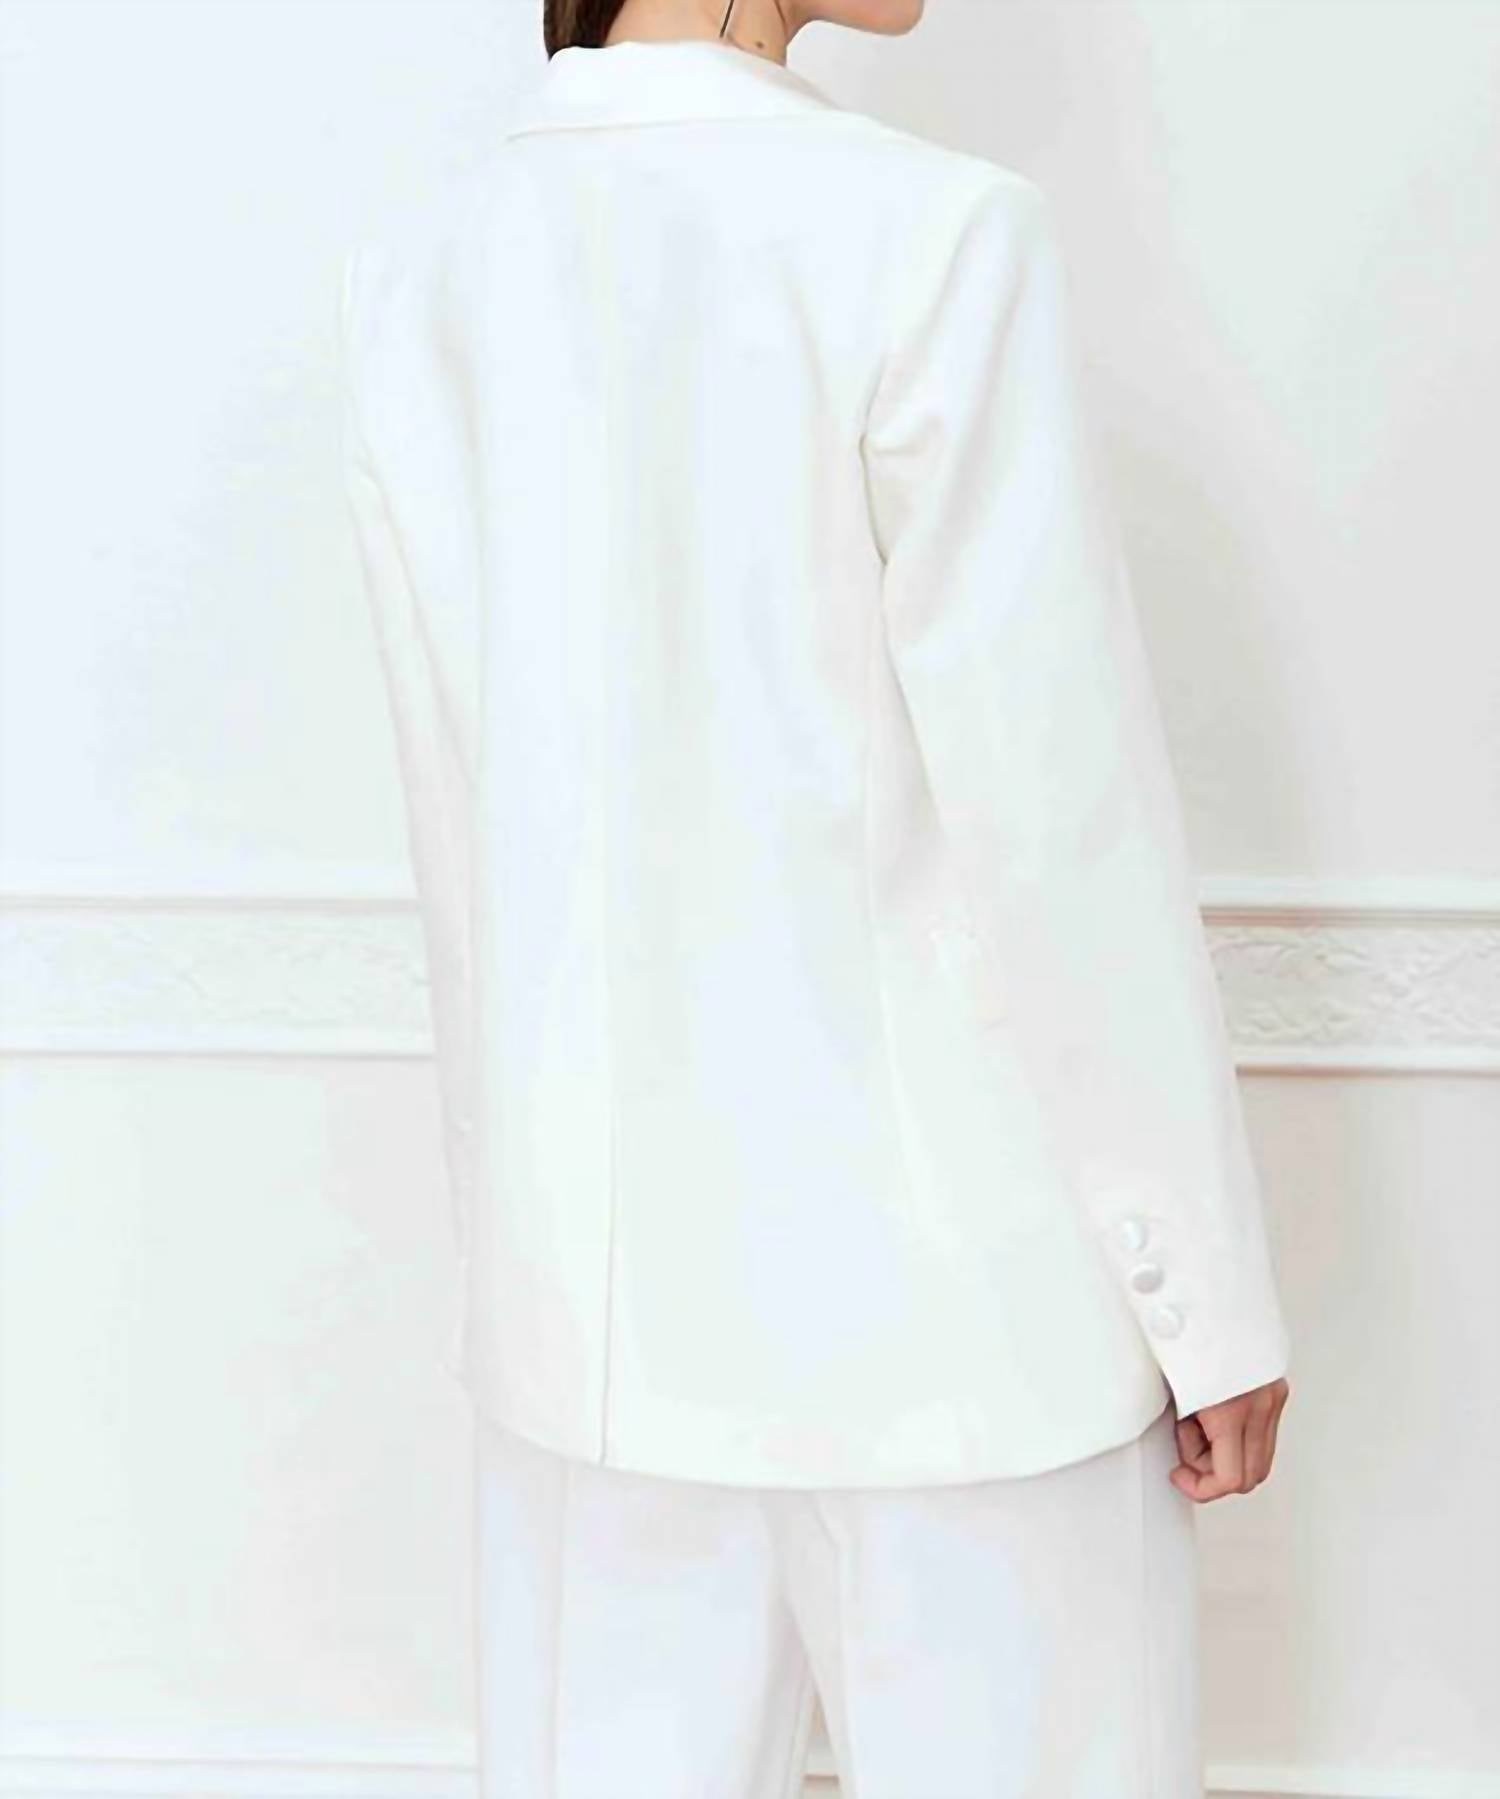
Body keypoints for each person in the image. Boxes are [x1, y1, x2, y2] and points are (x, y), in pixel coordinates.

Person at [339, 0, 1293, 1790]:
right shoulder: (935, 234)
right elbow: (1057, 820)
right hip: (970, 1335)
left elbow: (464, 826)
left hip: (587, 1335)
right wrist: (1203, 1303)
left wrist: (533, 1261)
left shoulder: (427, 268)